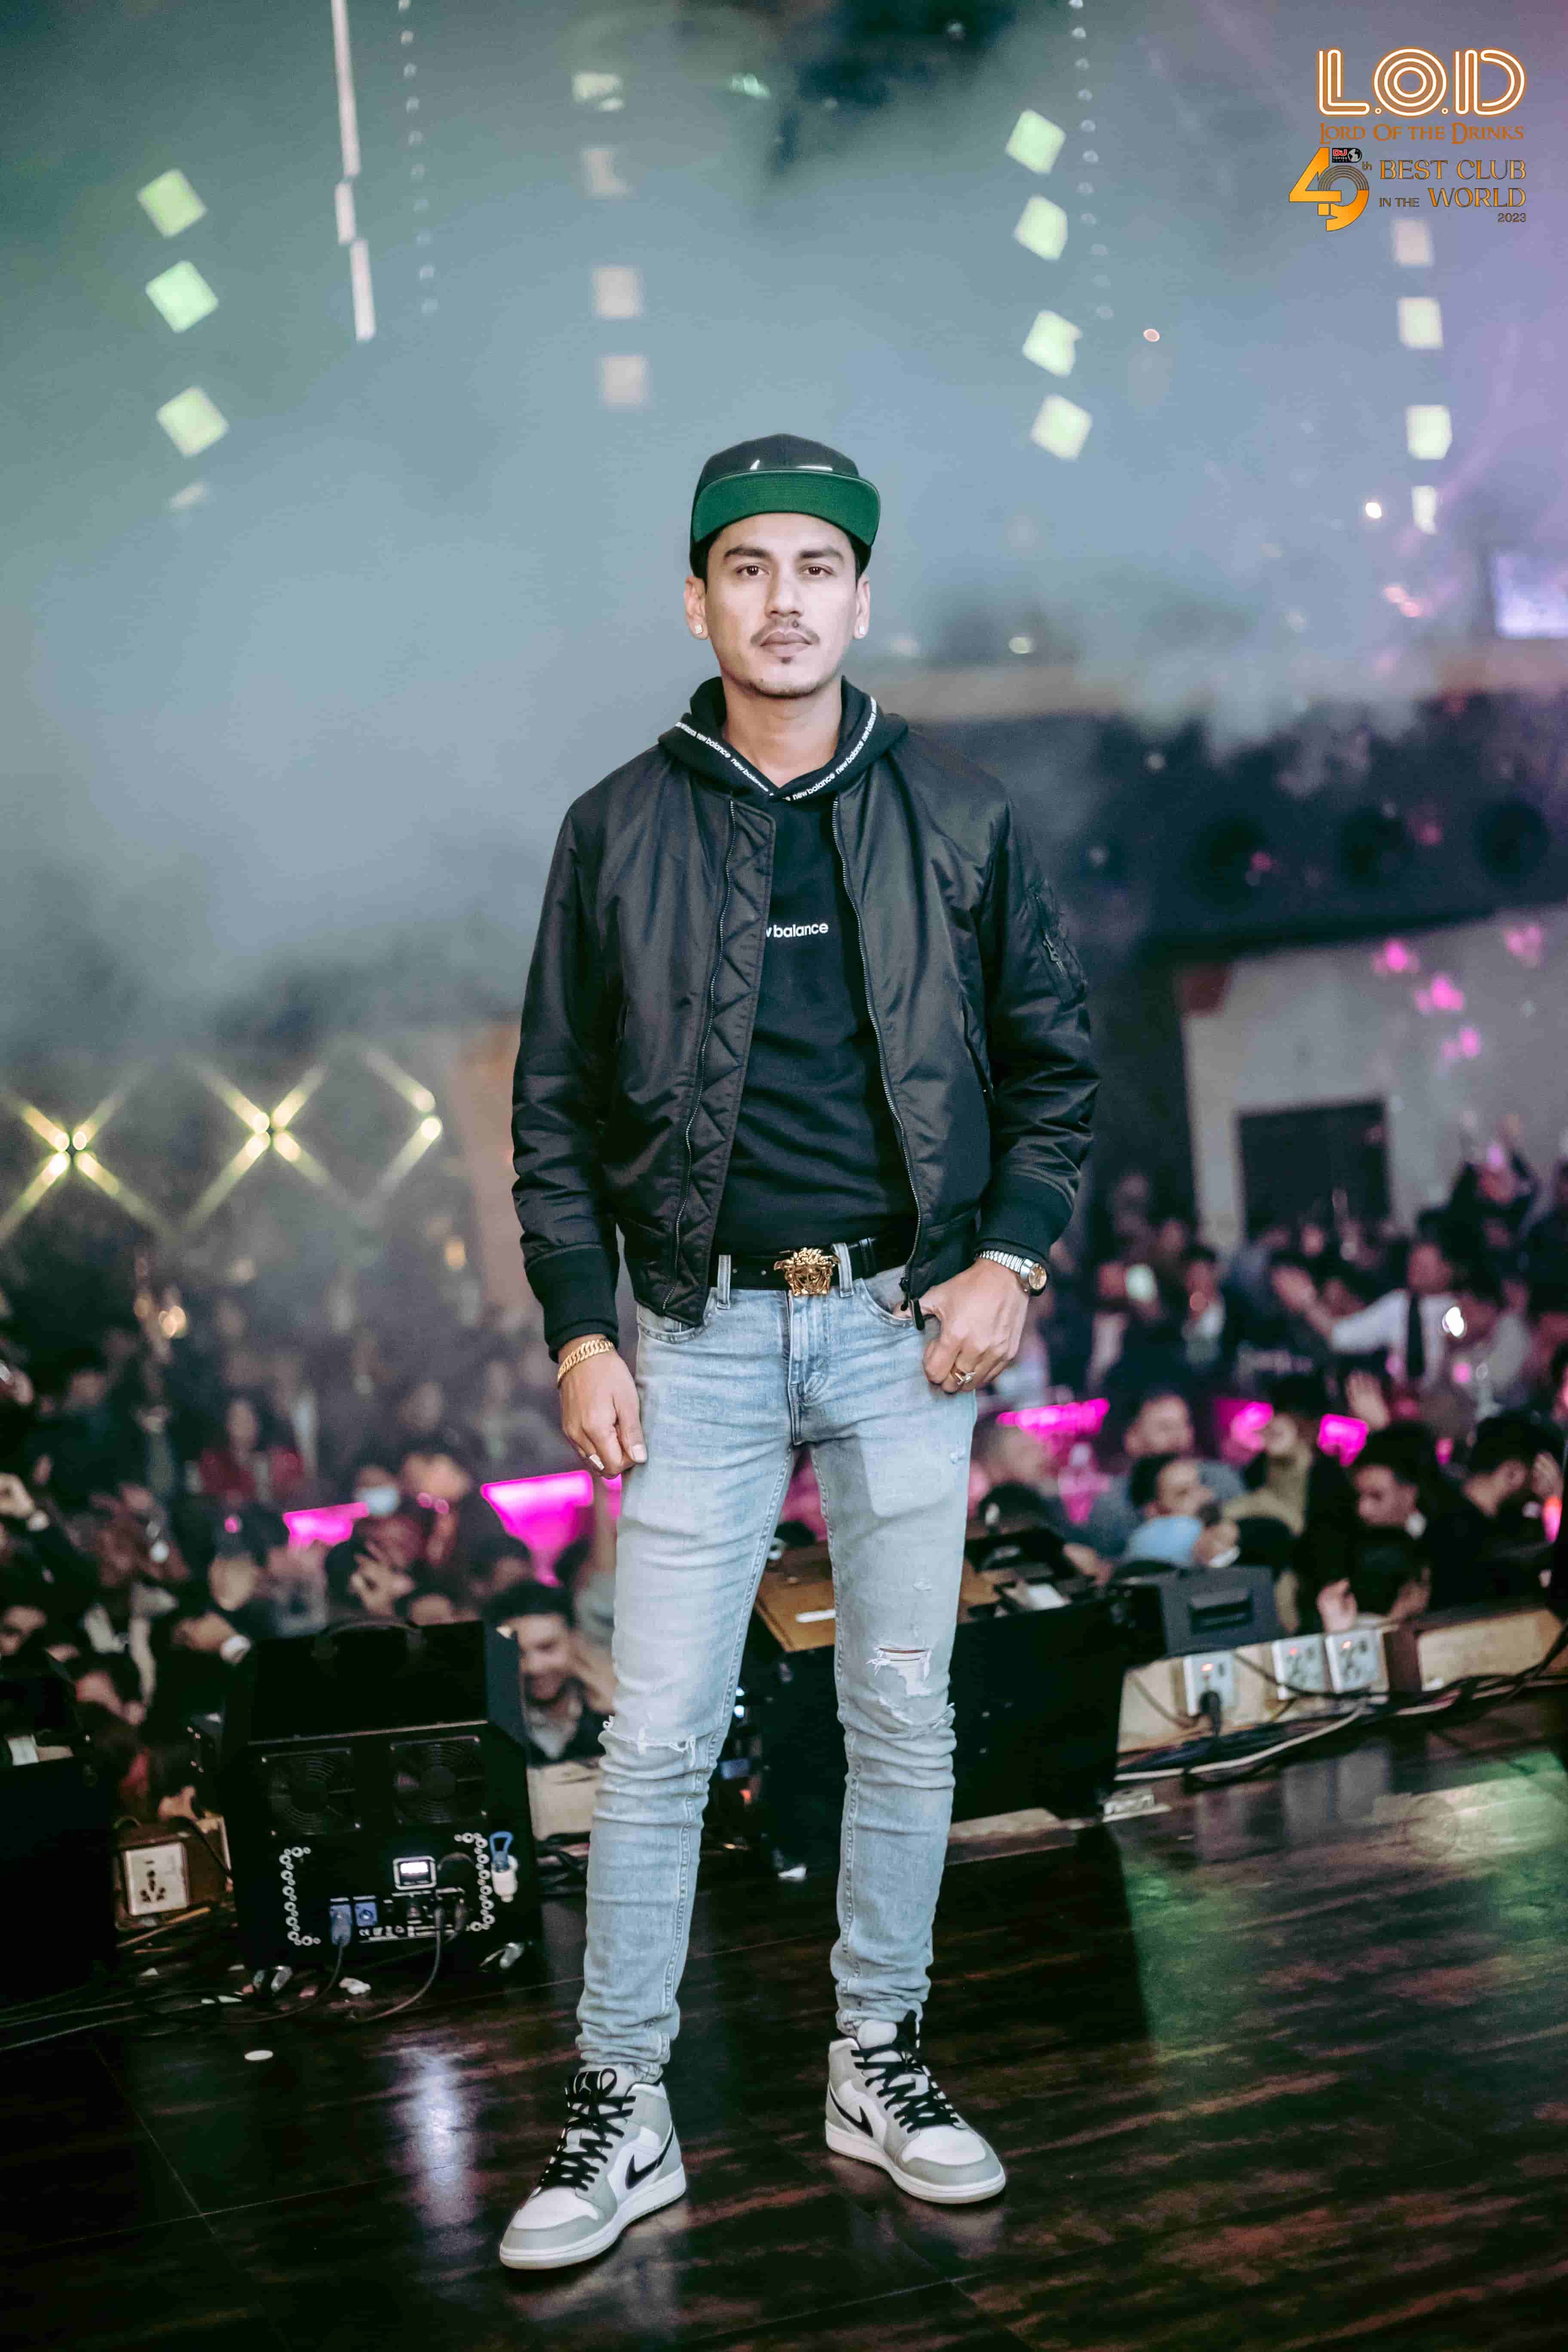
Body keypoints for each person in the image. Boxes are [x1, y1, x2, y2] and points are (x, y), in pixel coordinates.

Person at [504, 432, 1096, 2266]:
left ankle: (877, 2058)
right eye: (745, 566)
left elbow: (1056, 1067)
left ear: (859, 595)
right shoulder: (613, 827)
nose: (782, 599)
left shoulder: (959, 812)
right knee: (659, 1734)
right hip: (687, 1334)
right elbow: (550, 1109)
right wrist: (577, 1328)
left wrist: (1008, 1256)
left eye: (814, 565)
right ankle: (622, 2103)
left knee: (900, 1707)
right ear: (695, 599)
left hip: (900, 1328)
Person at [1082, 1387, 1241, 1562]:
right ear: (1132, 1438)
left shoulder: (1222, 1480)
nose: (1179, 1436)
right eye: (1165, 1428)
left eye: (1185, 1424)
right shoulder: (1112, 1505)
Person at [1424, 1411, 1562, 1609]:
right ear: (1513, 1475)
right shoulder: (1479, 1539)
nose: (1536, 1489)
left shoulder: (1443, 1515)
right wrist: (1554, 1502)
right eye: (1536, 1477)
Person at [484, 1581, 614, 1765]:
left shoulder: (610, 1708)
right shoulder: (493, 1724)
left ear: (575, 1640)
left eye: (547, 1648)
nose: (534, 1667)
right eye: (517, 1653)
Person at [1115, 1453, 1237, 1571]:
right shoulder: (1150, 1539)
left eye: (1202, 1483)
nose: (1203, 1496)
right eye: (1183, 1493)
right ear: (1155, 1511)